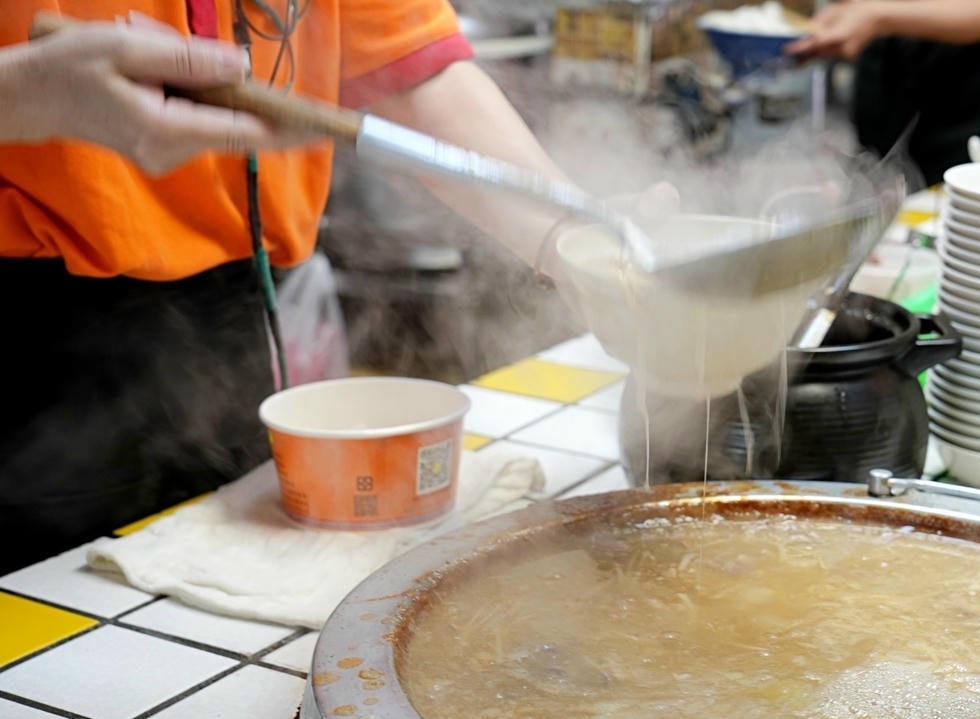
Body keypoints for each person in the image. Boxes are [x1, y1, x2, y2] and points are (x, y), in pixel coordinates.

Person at [0, 3, 591, 572]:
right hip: (36, 350)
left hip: (235, 328)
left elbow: (412, 67)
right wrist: (21, 95)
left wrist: (571, 242)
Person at [786, 0, 980, 188]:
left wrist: (875, 14)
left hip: (974, 82)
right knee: (878, 195)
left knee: (973, 209)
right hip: (884, 64)